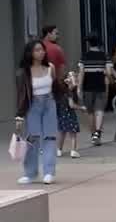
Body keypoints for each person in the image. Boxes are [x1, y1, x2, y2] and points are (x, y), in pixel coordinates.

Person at [14, 38, 60, 186]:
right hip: (33, 105)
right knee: (32, 139)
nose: (41, 52)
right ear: (30, 53)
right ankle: (30, 173)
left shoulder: (50, 67)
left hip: (49, 103)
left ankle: (49, 172)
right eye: (37, 50)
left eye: (42, 49)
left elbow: (56, 87)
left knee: (49, 137)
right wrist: (19, 115)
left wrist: (69, 88)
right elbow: (21, 95)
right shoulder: (23, 72)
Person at [78, 37, 116, 145]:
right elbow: (109, 72)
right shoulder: (105, 56)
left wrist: (79, 87)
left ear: (89, 43)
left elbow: (81, 73)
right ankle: (98, 133)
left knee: (90, 111)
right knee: (99, 109)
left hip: (87, 86)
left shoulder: (84, 56)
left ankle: (93, 134)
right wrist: (112, 80)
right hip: (101, 85)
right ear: (99, 43)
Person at [57, 67, 81, 159]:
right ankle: (73, 151)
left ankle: (59, 150)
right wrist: (81, 108)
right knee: (73, 133)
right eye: (71, 76)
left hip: (62, 114)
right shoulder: (69, 91)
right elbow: (72, 105)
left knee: (62, 133)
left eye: (74, 76)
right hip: (69, 114)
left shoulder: (65, 90)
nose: (73, 77)